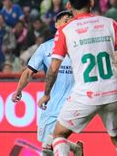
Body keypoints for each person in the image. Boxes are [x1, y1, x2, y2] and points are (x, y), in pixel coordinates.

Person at [37, 0, 117, 156]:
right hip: (112, 93)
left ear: (69, 6)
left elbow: (53, 69)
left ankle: (74, 149)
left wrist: (47, 93)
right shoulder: (109, 24)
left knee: (58, 135)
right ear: (91, 2)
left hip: (85, 95)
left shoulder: (65, 31)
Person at [12, 11, 84, 156]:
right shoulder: (45, 48)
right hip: (51, 104)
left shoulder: (82, 46)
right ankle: (75, 148)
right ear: (57, 25)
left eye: (72, 20)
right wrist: (18, 90)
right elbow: (28, 72)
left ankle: (73, 148)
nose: (69, 21)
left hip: (73, 103)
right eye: (65, 20)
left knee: (55, 139)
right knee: (46, 147)